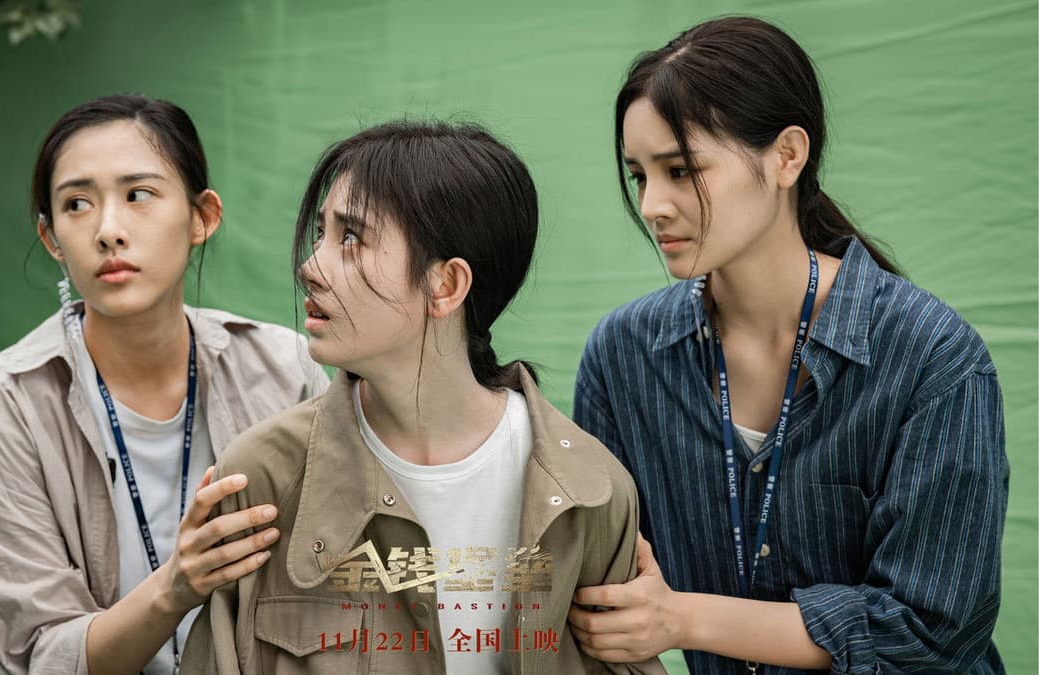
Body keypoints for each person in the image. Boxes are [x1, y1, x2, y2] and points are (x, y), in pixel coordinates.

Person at [568, 16, 1008, 674]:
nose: (653, 204)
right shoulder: (622, 358)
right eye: (639, 176)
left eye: (681, 170)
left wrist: (683, 618)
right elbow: (604, 591)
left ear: (787, 156)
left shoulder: (931, 358)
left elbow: (928, 633)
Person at [179, 121, 666, 674]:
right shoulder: (261, 481)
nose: (310, 267)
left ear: (446, 285)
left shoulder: (590, 493)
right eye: (321, 234)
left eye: (351, 238)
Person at [0, 94, 329, 674]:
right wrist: (175, 587)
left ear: (202, 217)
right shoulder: (1, 412)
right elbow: (40, 658)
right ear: (51, 238)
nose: (108, 231)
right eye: (77, 204)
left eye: (138, 194)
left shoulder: (283, 372)